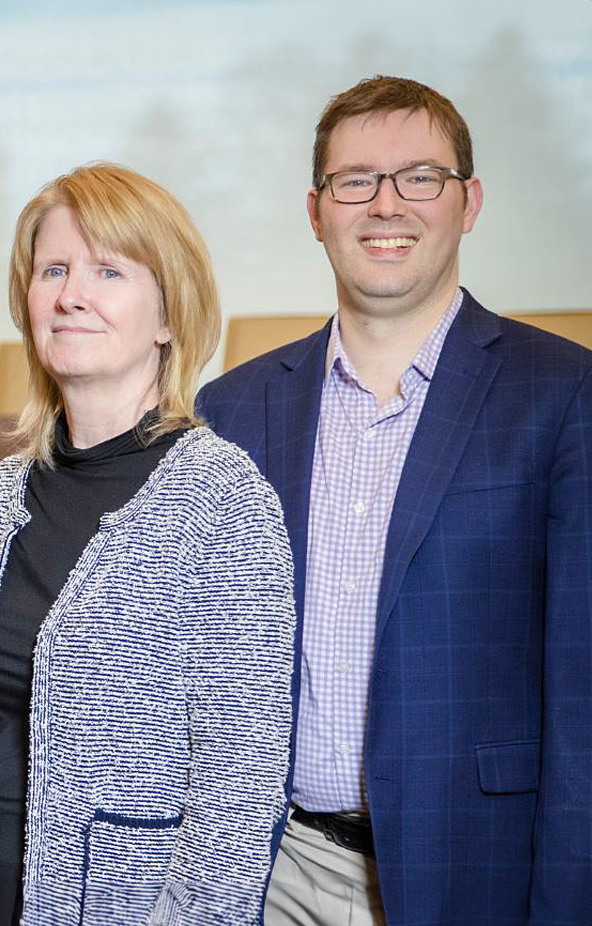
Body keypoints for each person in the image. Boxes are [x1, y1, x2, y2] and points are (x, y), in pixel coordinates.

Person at [198, 75, 592, 925]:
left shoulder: (561, 395)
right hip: (275, 871)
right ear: (316, 210)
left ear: (468, 200)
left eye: (420, 177)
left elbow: (583, 700)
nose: (387, 204)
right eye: (355, 181)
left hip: (475, 868)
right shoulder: (232, 411)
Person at [0, 162, 295, 925]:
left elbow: (242, 789)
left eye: (108, 271)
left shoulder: (222, 499)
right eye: (54, 270)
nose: (72, 294)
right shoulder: (3, 490)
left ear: (169, 315)